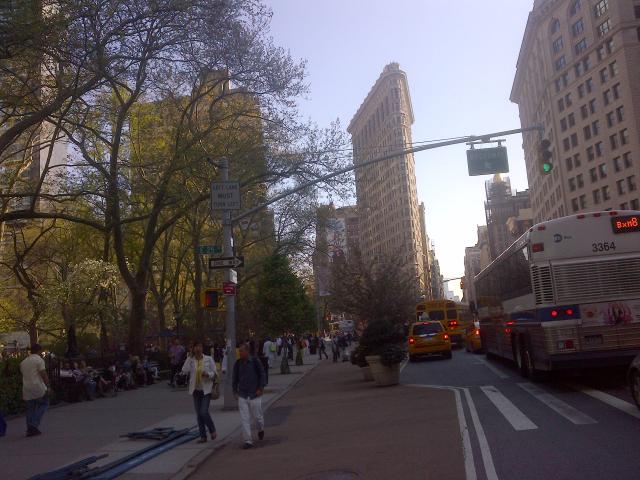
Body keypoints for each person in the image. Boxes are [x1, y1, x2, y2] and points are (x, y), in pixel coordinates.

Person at [181, 341, 218, 443]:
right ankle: (203, 436)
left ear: (202, 348)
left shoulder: (208, 359)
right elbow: (184, 370)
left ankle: (212, 430)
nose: (198, 349)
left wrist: (208, 374)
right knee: (199, 414)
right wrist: (189, 357)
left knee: (203, 412)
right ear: (193, 349)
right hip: (195, 390)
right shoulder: (191, 360)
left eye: (200, 346)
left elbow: (215, 373)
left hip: (206, 390)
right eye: (196, 347)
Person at [233, 343, 266, 449]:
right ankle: (248, 440)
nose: (240, 353)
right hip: (242, 394)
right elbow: (235, 378)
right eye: (239, 351)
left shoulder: (255, 361)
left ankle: (260, 428)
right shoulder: (238, 364)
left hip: (255, 393)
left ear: (247, 351)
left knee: (257, 417)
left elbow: (262, 374)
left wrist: (260, 388)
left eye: (241, 351)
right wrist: (235, 391)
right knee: (245, 418)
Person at [20, 344, 50, 437]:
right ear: (39, 351)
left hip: (27, 388)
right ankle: (33, 424)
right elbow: (43, 374)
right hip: (38, 387)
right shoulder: (39, 360)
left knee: (30, 409)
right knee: (44, 404)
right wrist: (48, 386)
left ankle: (30, 428)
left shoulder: (23, 362)